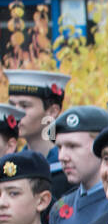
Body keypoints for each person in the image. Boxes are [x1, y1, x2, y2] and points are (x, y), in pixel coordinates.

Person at [49, 107, 108, 224]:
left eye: (73, 146)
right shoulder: (60, 208)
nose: (62, 156)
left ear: (102, 148)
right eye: (59, 147)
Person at [3, 71, 70, 205]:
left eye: (24, 106)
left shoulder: (67, 166)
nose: (15, 114)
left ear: (52, 111)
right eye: (12, 105)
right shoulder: (11, 165)